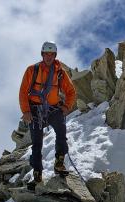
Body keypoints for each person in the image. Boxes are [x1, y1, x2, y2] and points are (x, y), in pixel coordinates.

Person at [18, 41, 76, 189]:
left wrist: (66, 107)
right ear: (42, 54)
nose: (49, 57)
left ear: (55, 55)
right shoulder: (32, 70)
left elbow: (71, 91)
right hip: (35, 111)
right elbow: (23, 92)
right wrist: (26, 111)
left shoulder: (60, 72)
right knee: (37, 143)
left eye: (51, 54)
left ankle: (59, 162)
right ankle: (37, 174)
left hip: (53, 109)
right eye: (46, 54)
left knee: (61, 132)